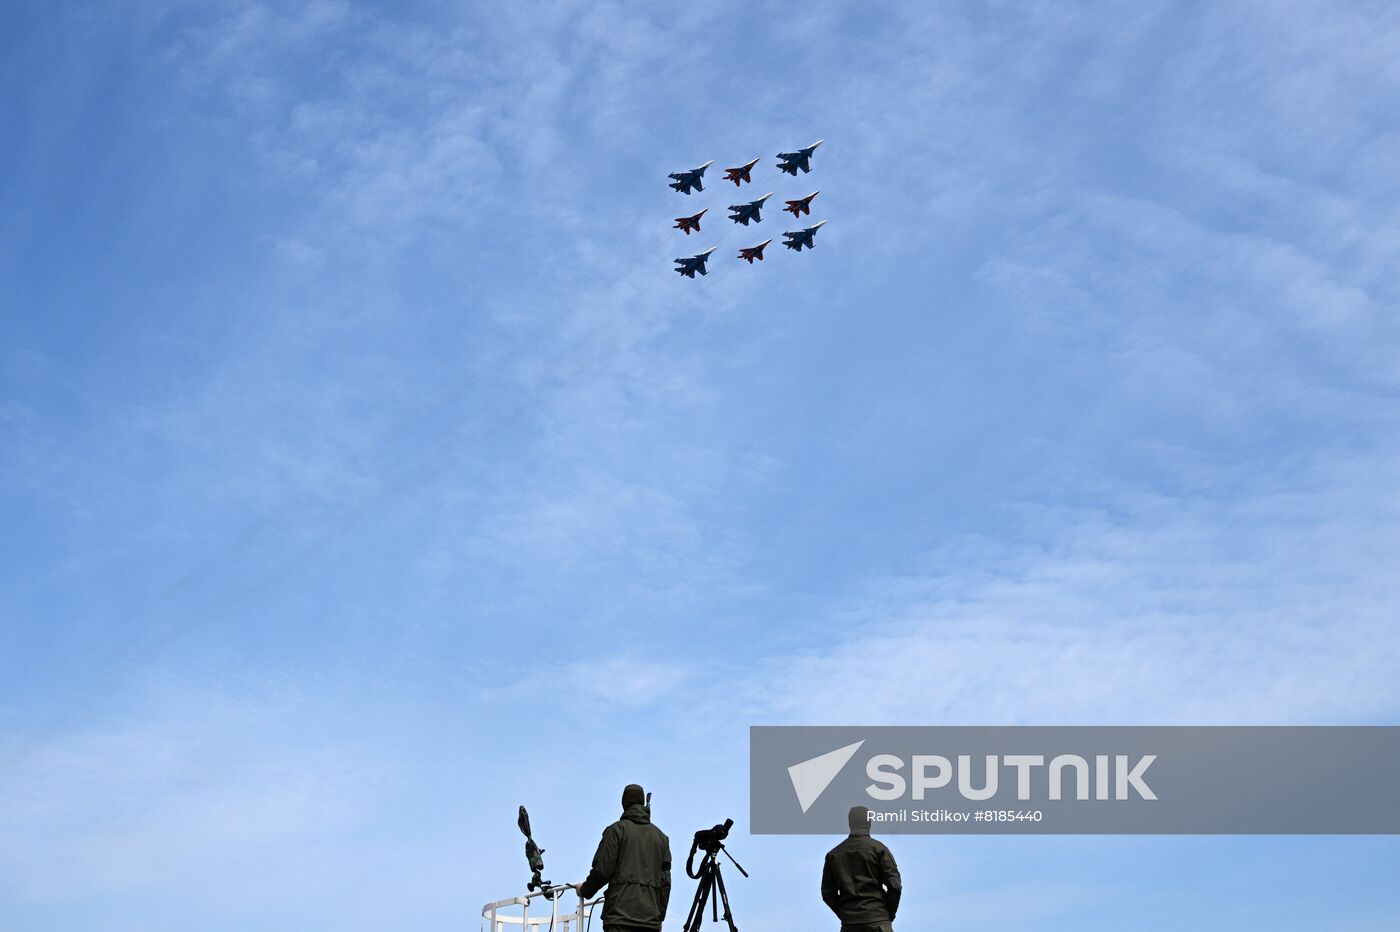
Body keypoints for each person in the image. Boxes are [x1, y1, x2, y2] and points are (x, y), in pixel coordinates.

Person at [578, 784, 671, 932]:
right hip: (650, 922)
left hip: (619, 919)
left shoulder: (615, 831)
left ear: (624, 804)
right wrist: (660, 917)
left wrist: (585, 890)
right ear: (642, 802)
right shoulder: (661, 838)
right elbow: (665, 882)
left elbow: (602, 870)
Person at [821, 805, 902, 932]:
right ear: (869, 823)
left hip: (849, 925)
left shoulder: (833, 855)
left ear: (850, 823)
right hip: (878, 922)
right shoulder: (879, 849)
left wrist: (845, 915)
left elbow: (827, 893)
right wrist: (888, 913)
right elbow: (895, 886)